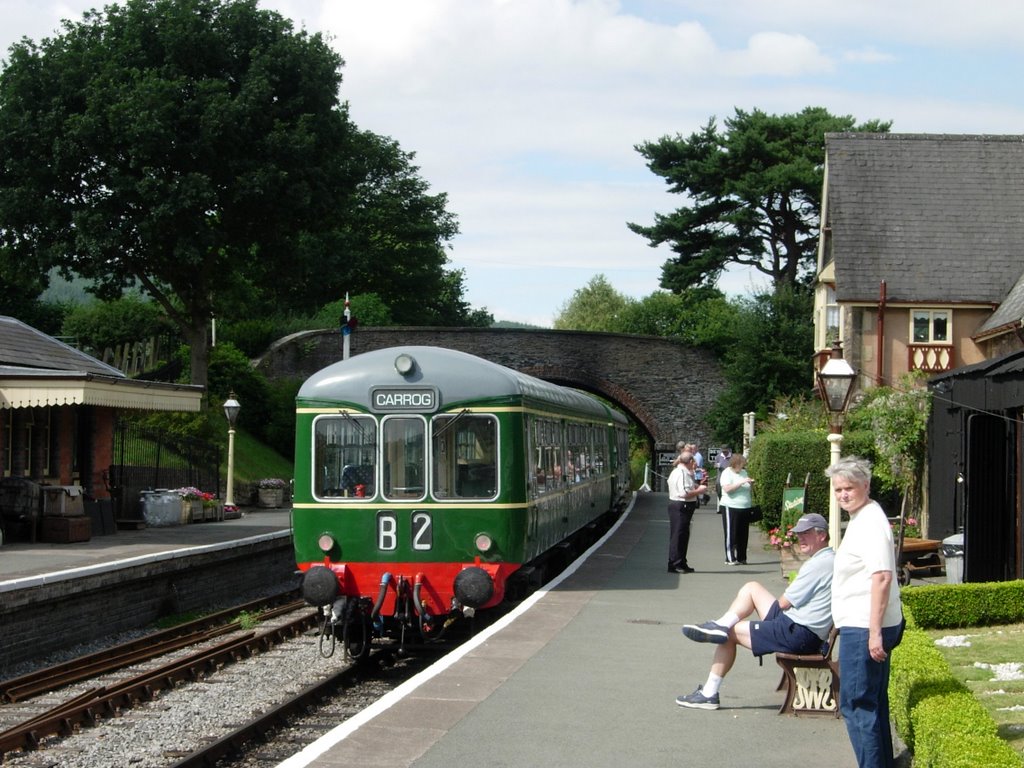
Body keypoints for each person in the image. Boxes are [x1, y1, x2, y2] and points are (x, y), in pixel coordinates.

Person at [676, 513, 834, 710]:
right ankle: (720, 625)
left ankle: (709, 693)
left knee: (730, 634)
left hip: (799, 633)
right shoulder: (829, 559)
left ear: (822, 535)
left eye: (806, 533)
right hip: (803, 628)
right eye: (799, 533)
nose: (800, 537)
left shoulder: (818, 564)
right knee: (752, 588)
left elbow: (784, 602)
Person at [826, 456, 904, 768]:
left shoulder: (870, 521)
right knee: (872, 702)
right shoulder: (864, 516)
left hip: (864, 627)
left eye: (849, 488)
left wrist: (873, 633)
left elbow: (882, 577)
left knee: (857, 705)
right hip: (864, 624)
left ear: (866, 486)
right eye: (838, 489)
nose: (843, 494)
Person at [666, 451, 705, 574]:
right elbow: (684, 493)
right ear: (690, 462)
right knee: (679, 535)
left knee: (682, 535)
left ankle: (681, 562)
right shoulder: (681, 473)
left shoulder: (681, 473)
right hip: (681, 505)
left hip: (680, 506)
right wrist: (699, 490)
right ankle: (675, 563)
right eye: (693, 461)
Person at [718, 453, 755, 565]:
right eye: (741, 465)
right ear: (735, 464)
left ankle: (741, 557)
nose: (742, 467)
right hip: (731, 506)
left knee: (743, 533)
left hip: (744, 506)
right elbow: (727, 489)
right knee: (731, 533)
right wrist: (741, 482)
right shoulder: (727, 473)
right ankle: (730, 558)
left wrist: (750, 483)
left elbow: (748, 488)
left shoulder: (744, 472)